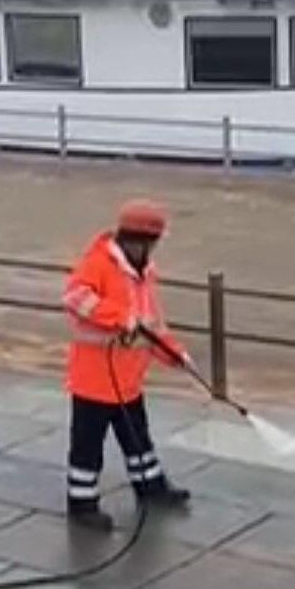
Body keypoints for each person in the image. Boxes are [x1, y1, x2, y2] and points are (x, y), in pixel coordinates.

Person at [60, 198, 195, 531]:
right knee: (87, 445)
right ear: (130, 239)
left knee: (138, 439)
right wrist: (121, 319)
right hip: (94, 379)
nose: (148, 249)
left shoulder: (144, 274)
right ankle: (82, 502)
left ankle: (150, 486)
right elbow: (75, 298)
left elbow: (153, 326)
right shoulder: (98, 263)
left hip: (129, 377)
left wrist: (174, 354)